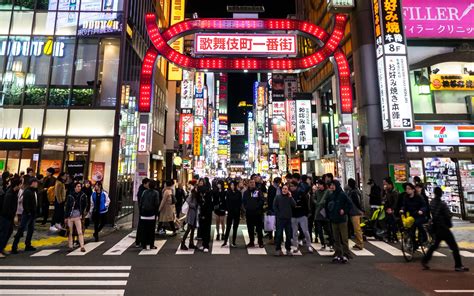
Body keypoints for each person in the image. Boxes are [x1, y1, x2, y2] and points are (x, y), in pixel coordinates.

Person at [422, 187, 469, 272]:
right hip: (444, 228)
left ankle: (425, 260)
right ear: (441, 194)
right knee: (454, 247)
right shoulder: (442, 204)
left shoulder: (432, 202)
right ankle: (458, 265)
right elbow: (448, 215)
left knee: (435, 245)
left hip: (436, 227)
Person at [326, 180, 352, 263]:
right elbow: (327, 205)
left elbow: (350, 204)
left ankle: (346, 254)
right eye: (331, 185)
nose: (332, 186)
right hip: (333, 219)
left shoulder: (342, 194)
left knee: (344, 238)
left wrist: (344, 210)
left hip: (342, 219)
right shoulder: (331, 195)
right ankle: (338, 254)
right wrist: (329, 215)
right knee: (336, 238)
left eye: (333, 185)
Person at [11, 178, 39, 254]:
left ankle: (28, 245)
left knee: (30, 230)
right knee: (21, 230)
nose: (37, 184)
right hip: (27, 214)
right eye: (36, 183)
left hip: (32, 214)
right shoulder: (27, 191)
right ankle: (14, 246)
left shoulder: (34, 191)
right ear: (32, 183)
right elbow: (25, 204)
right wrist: (29, 213)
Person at [400, 183, 428, 248]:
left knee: (417, 223)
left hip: (421, 215)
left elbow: (424, 206)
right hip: (412, 216)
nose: (407, 190)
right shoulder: (406, 197)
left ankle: (424, 237)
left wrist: (421, 210)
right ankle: (414, 244)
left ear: (413, 190)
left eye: (409, 189)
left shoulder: (419, 197)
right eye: (406, 189)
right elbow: (404, 206)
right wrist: (402, 210)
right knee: (410, 228)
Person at [289, 181, 312, 253]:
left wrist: (307, 213)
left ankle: (309, 245)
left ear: (296, 186)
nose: (291, 187)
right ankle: (295, 246)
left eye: (293, 186)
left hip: (302, 214)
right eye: (291, 186)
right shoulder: (289, 194)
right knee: (294, 232)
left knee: (305, 231)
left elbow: (305, 203)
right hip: (293, 215)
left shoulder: (301, 193)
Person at [0, 177, 21, 258]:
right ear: (17, 185)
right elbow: (6, 208)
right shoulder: (9, 194)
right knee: (3, 234)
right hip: (5, 217)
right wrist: (13, 216)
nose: (21, 186)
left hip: (9, 217)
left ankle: (2, 248)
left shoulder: (14, 192)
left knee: (8, 232)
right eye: (20, 184)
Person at [273, 184, 296, 256]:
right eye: (283, 188)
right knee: (279, 234)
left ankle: (288, 249)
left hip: (288, 218)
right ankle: (278, 249)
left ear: (288, 190)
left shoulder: (289, 198)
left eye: (286, 189)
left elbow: (294, 205)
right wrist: (278, 214)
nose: (284, 190)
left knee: (288, 235)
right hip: (280, 219)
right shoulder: (278, 197)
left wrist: (291, 197)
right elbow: (274, 206)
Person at [64, 182, 87, 252]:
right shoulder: (70, 195)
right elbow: (67, 206)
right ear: (74, 187)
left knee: (80, 231)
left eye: (80, 186)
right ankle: (70, 246)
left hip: (78, 215)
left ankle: (82, 246)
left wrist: (82, 214)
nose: (79, 188)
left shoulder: (83, 195)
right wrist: (66, 217)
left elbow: (85, 205)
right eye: (78, 186)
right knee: (70, 232)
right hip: (70, 216)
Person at [243, 179, 265, 248]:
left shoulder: (258, 191)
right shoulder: (246, 192)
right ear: (248, 184)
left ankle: (260, 242)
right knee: (250, 228)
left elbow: (262, 200)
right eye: (250, 182)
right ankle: (251, 242)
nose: (252, 184)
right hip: (249, 213)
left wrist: (257, 207)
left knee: (259, 229)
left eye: (253, 182)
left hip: (257, 213)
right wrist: (247, 207)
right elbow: (244, 201)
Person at [138, 180, 160, 249]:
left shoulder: (144, 192)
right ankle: (151, 244)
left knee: (144, 229)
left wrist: (141, 211)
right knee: (151, 230)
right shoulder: (156, 193)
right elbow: (156, 203)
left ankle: (143, 244)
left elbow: (141, 202)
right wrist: (157, 213)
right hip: (151, 214)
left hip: (144, 213)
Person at [222, 181, 242, 247]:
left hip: (237, 212)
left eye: (233, 185)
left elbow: (240, 202)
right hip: (230, 212)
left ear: (236, 185)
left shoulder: (239, 193)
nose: (232, 186)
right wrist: (227, 210)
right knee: (228, 227)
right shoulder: (228, 193)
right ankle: (225, 241)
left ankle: (234, 242)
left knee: (235, 227)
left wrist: (239, 210)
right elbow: (226, 202)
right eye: (231, 185)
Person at [314, 179, 333, 250]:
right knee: (319, 230)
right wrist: (317, 203)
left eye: (320, 184)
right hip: (318, 212)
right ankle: (323, 244)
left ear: (323, 185)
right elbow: (314, 199)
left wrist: (325, 202)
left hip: (325, 212)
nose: (318, 186)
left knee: (328, 229)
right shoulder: (317, 192)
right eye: (318, 185)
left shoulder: (328, 192)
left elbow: (331, 200)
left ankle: (331, 243)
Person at [180, 180, 198, 250]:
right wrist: (194, 205)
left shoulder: (195, 194)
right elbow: (188, 201)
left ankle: (191, 243)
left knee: (192, 228)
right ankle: (183, 242)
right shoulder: (192, 194)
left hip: (194, 213)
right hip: (191, 213)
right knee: (189, 228)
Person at [347, 178, 364, 250]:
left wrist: (361, 210)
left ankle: (360, 243)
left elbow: (357, 202)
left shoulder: (354, 192)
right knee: (356, 229)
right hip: (354, 212)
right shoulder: (354, 191)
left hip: (355, 212)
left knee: (357, 229)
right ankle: (358, 243)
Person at [197, 179, 213, 252]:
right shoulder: (198, 192)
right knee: (202, 229)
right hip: (201, 212)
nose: (200, 184)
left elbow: (209, 203)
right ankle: (203, 244)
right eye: (199, 183)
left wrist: (205, 213)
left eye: (202, 183)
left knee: (207, 229)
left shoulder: (208, 192)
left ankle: (206, 245)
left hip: (207, 212)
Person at [383, 177, 399, 243]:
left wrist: (392, 209)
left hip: (392, 211)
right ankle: (389, 237)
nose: (385, 186)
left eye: (386, 185)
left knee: (393, 224)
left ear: (390, 185)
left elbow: (395, 202)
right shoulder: (387, 192)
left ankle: (395, 237)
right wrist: (386, 208)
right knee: (388, 224)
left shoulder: (394, 192)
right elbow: (384, 201)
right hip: (387, 210)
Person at [135, 178, 150, 247]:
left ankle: (140, 241)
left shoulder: (142, 190)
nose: (148, 185)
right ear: (145, 183)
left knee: (142, 226)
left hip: (143, 210)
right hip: (143, 210)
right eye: (148, 183)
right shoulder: (143, 191)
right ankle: (140, 241)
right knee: (142, 226)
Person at [266, 177, 281, 243]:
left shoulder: (279, 188)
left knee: (277, 224)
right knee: (271, 223)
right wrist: (270, 208)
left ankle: (276, 238)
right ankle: (270, 238)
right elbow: (269, 199)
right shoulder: (272, 188)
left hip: (278, 208)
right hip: (272, 208)